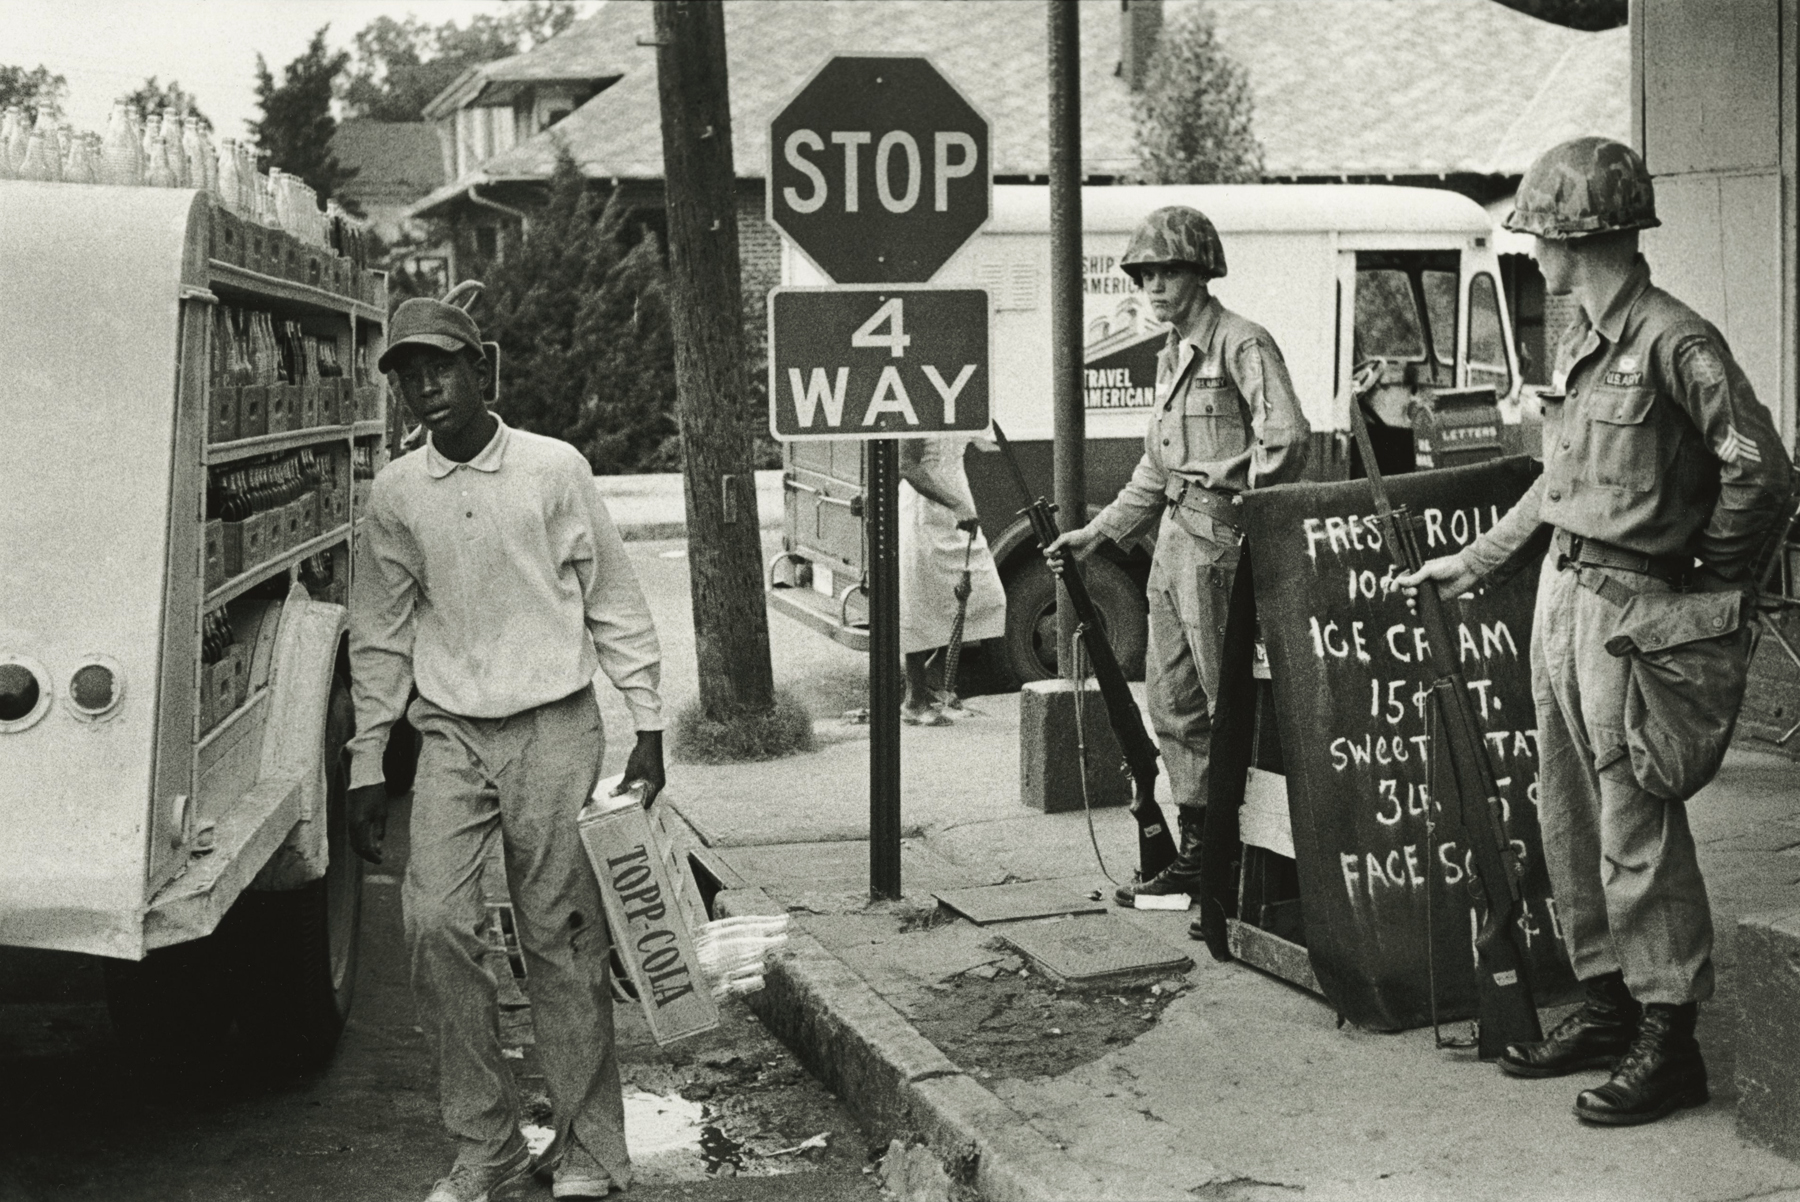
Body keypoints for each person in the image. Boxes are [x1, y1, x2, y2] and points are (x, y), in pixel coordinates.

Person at [1399, 136, 1792, 1126]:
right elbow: (1562, 479)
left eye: (1541, 229)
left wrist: (1706, 583)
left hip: (1631, 613)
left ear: (1586, 232)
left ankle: (1671, 1035)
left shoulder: (1674, 341)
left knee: (1634, 820)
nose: (1532, 247)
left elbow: (1762, 470)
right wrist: (1480, 558)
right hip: (1564, 598)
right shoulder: (1586, 339)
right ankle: (1608, 1000)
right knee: (1568, 811)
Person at [344, 297, 666, 1200]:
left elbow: (615, 599)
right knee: (435, 922)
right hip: (450, 731)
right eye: (407, 373)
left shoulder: (552, 469)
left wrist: (649, 727)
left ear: (481, 368)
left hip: (555, 724)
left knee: (560, 935)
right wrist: (368, 761)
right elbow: (379, 634)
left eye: (440, 365)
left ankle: (590, 1152)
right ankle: (486, 1149)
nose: (425, 385)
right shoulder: (398, 492)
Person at [1046, 206, 1311, 909]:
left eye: (1166, 272)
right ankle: (1202, 855)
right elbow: (1155, 470)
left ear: (1200, 271)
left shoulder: (1241, 344)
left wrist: (1225, 491)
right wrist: (1096, 534)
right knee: (1171, 702)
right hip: (1172, 543)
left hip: (1216, 542)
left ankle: (1248, 861)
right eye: (1144, 275)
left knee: (1231, 707)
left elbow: (1286, 442)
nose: (1153, 286)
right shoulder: (1170, 355)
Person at [898, 435, 1007, 724]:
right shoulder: (920, 400)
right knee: (920, 601)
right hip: (925, 508)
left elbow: (979, 437)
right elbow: (907, 466)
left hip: (958, 500)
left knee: (986, 595)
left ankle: (933, 679)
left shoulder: (960, 397)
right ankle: (914, 700)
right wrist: (955, 504)